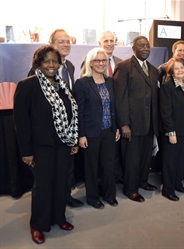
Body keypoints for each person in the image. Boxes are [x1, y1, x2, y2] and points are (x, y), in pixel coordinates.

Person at [14, 45, 79, 244]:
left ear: (60, 64)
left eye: (55, 61)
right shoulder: (27, 85)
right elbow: (21, 122)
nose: (51, 65)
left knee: (61, 184)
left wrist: (72, 140)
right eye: (47, 61)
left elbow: (70, 115)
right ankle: (39, 224)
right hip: (40, 148)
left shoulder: (63, 86)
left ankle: (59, 217)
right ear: (38, 64)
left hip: (63, 145)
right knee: (42, 187)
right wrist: (26, 151)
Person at [27, 29, 83, 208]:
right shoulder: (36, 71)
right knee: (46, 178)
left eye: (68, 41)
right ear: (51, 45)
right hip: (47, 136)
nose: (66, 45)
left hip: (68, 132)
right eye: (61, 42)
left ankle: (64, 196)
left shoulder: (71, 66)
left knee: (66, 170)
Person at [113, 35, 159, 202]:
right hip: (132, 124)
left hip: (149, 124)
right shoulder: (124, 67)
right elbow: (120, 98)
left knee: (146, 156)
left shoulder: (154, 70)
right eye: (141, 46)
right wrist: (124, 124)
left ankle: (143, 181)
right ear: (133, 48)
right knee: (132, 159)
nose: (145, 48)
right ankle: (130, 189)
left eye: (147, 45)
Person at [73, 48, 120, 209]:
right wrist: (81, 135)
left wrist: (117, 128)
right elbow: (78, 111)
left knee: (109, 166)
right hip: (90, 133)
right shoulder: (82, 84)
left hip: (109, 131)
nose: (101, 63)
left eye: (104, 60)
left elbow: (114, 108)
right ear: (90, 63)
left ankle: (109, 195)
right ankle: (93, 198)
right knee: (91, 167)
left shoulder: (110, 82)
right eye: (97, 60)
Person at [160, 58, 184, 201]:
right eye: (176, 68)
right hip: (172, 129)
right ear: (171, 71)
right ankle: (168, 190)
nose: (180, 70)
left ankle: (177, 183)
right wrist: (171, 132)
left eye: (182, 67)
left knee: (181, 158)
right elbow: (165, 112)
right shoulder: (167, 87)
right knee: (170, 160)